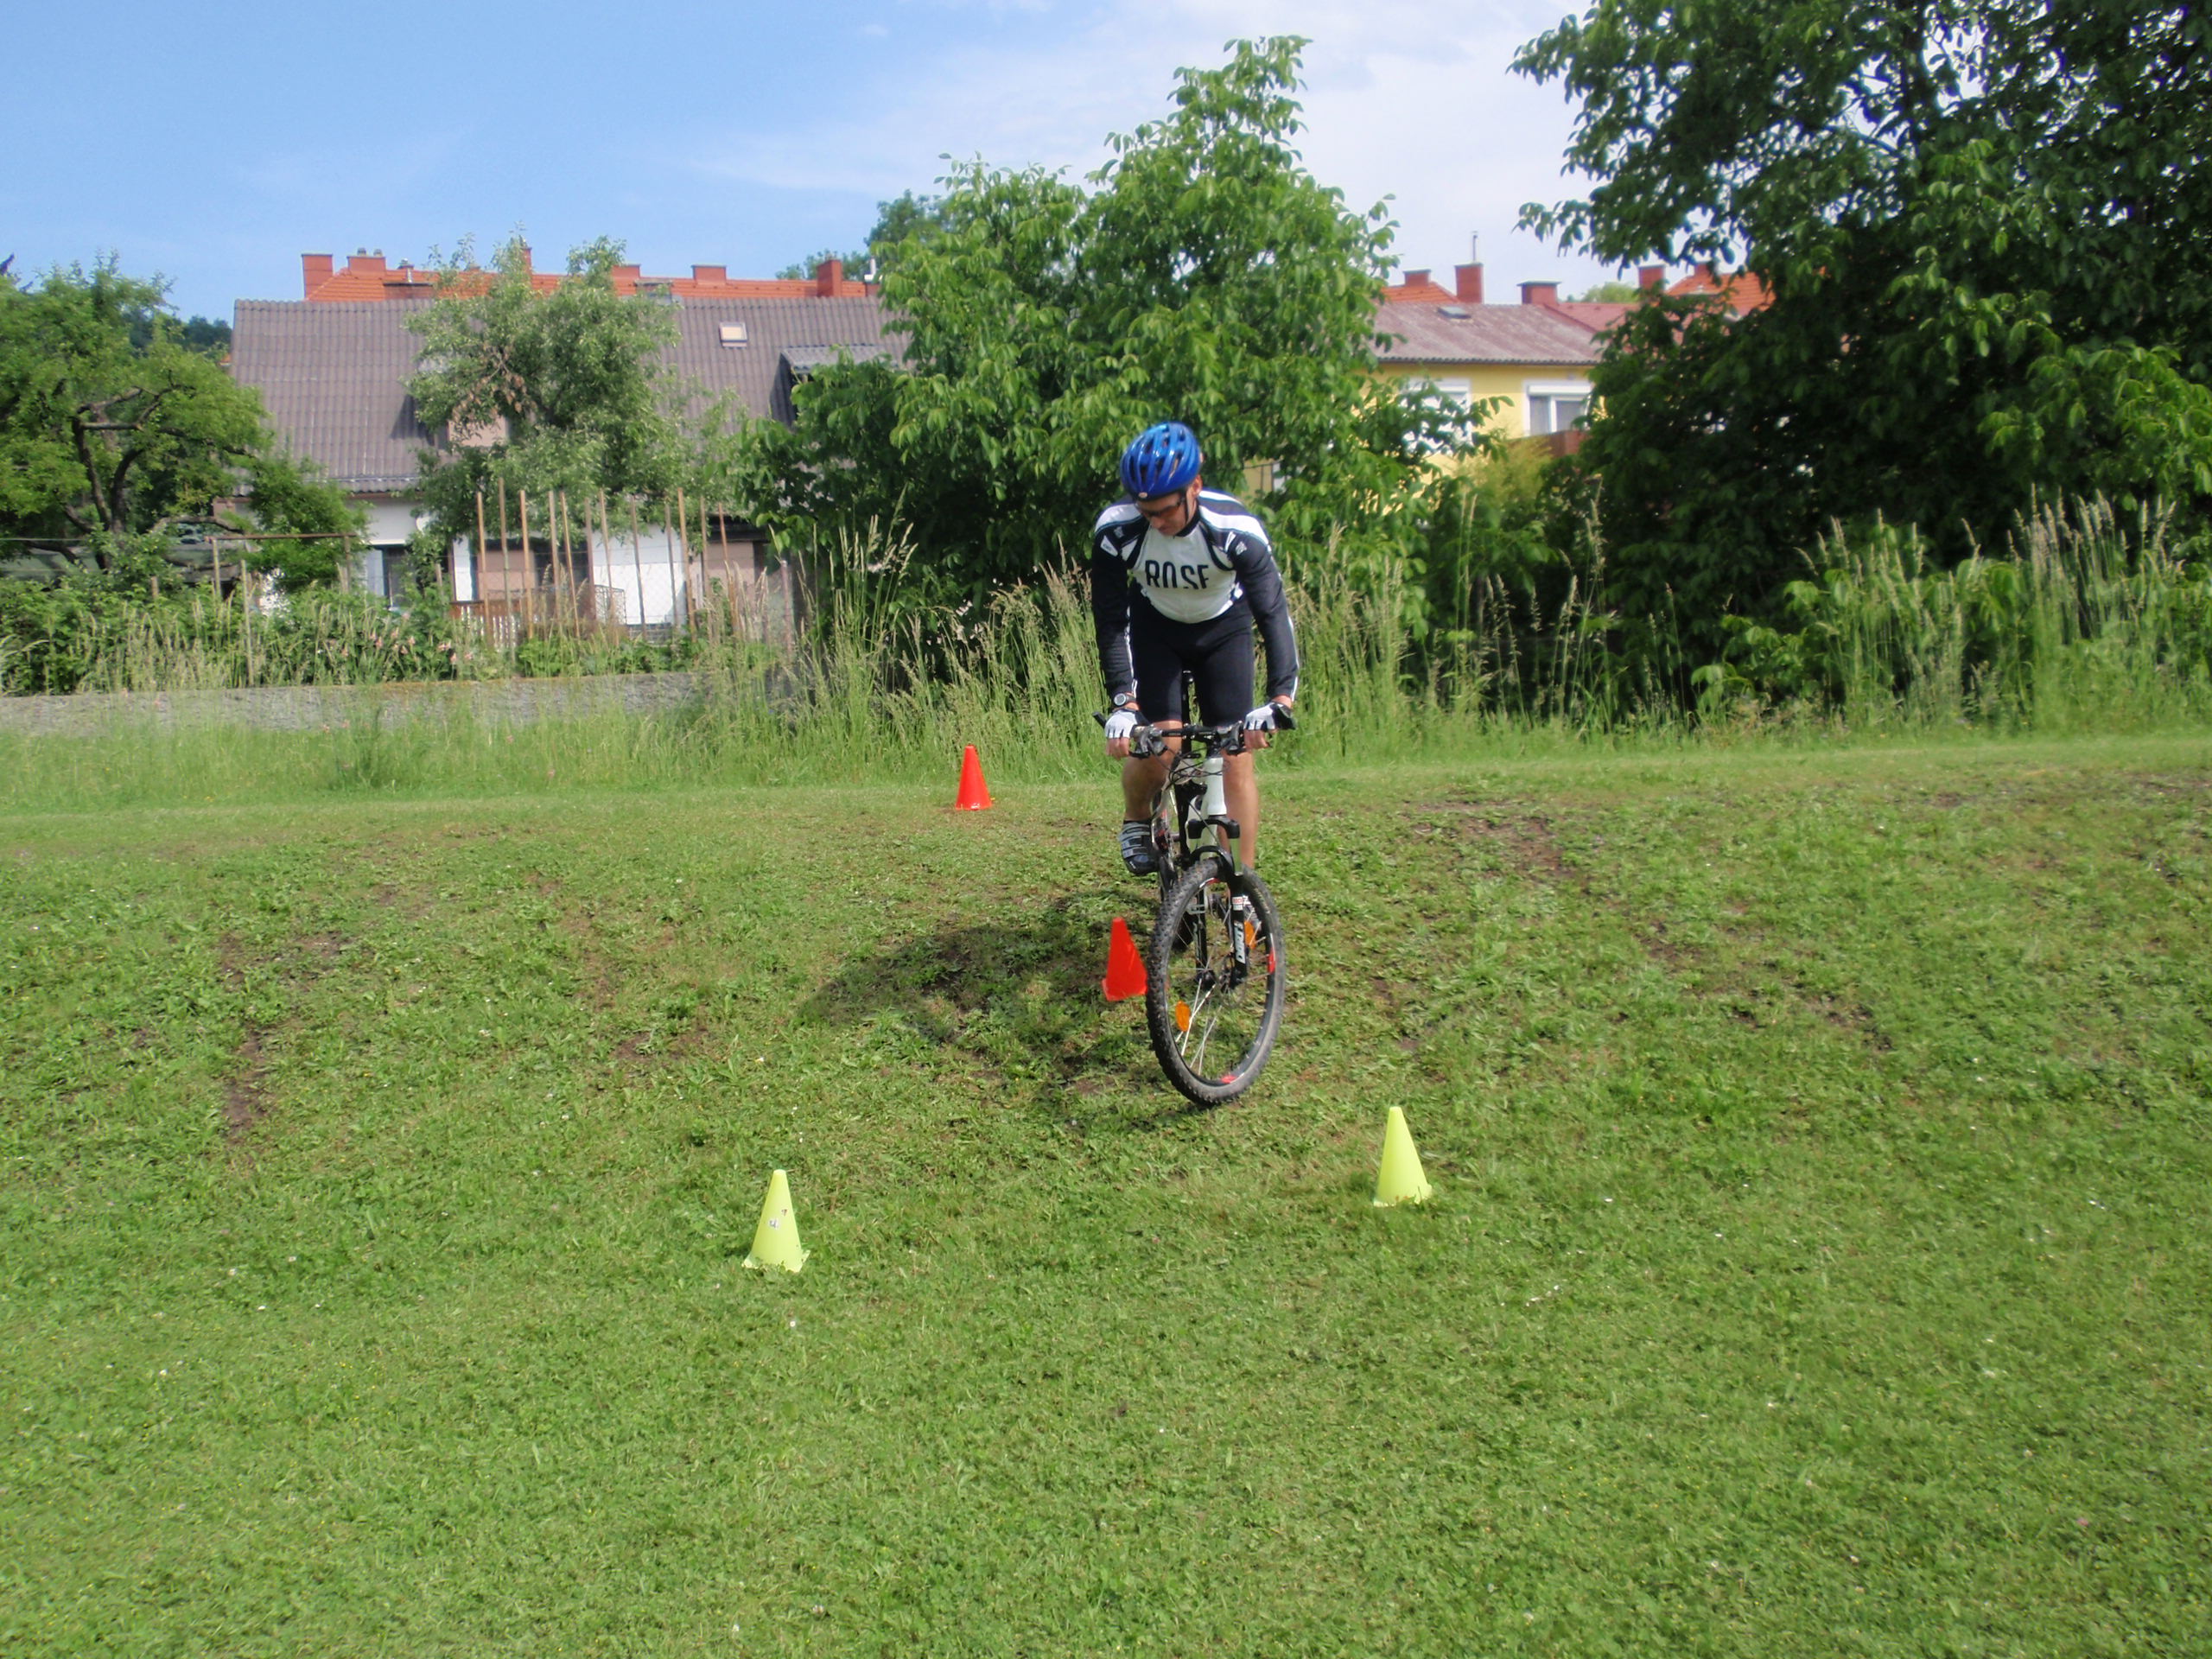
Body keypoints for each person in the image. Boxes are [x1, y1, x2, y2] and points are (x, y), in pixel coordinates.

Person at [1090, 421, 1299, 874]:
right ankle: (1137, 818)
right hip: (1156, 630)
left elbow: (1272, 613)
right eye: (1146, 512)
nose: (1157, 523)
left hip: (1224, 631)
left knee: (1235, 758)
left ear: (1195, 488)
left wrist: (1280, 699)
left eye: (1166, 510)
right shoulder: (1117, 530)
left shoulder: (1234, 530)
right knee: (1158, 746)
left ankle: (1240, 888)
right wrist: (1124, 701)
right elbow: (1111, 620)